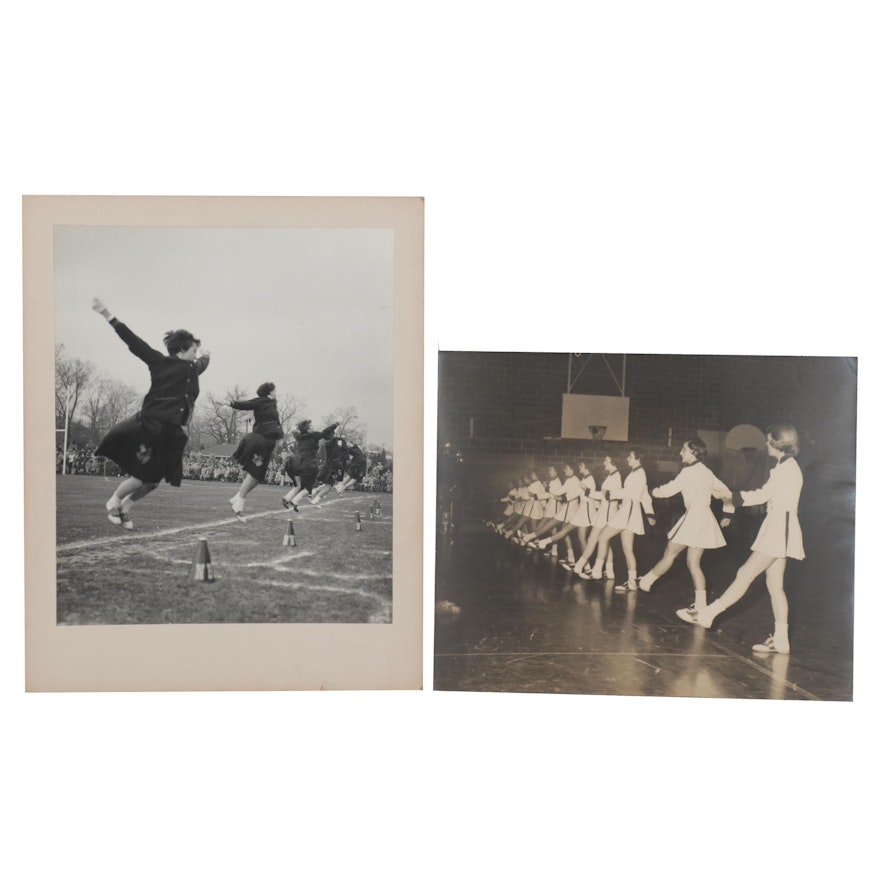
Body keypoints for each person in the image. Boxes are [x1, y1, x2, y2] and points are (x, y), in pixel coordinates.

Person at [91, 298, 209, 529]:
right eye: (193, 350)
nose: (196, 355)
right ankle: (114, 501)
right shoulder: (160, 362)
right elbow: (133, 342)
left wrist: (207, 355)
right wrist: (107, 314)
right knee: (142, 476)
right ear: (182, 349)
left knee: (154, 482)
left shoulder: (193, 369)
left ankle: (125, 508)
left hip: (175, 433)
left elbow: (203, 363)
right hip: (152, 427)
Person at [695, 425, 805, 655]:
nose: (765, 445)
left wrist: (732, 497)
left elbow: (763, 495)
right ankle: (781, 640)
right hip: (778, 525)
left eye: (768, 441)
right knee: (775, 586)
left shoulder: (787, 469)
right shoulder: (783, 466)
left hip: (779, 527)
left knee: (745, 573)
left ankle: (709, 613)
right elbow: (767, 494)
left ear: (777, 443)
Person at [637, 439, 734, 622]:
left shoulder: (689, 471)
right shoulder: (706, 472)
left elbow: (668, 491)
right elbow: (725, 492)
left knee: (670, 553)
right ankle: (700, 605)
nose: (680, 453)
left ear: (693, 452)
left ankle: (646, 581)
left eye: (683, 449)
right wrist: (729, 513)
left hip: (695, 517)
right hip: (705, 517)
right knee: (693, 563)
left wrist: (651, 492)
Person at [589, 448, 655, 591]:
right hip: (629, 509)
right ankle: (632, 582)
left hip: (629, 510)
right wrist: (650, 514)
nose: (628, 459)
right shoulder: (636, 473)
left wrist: (610, 494)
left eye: (630, 457)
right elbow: (645, 495)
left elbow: (630, 493)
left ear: (638, 458)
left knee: (603, 536)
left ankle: (597, 570)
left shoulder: (639, 473)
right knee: (627, 549)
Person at [226, 383, 285, 521]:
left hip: (268, 443)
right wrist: (232, 403)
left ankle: (237, 497)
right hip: (259, 441)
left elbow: (277, 423)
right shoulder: (262, 401)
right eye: (275, 389)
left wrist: (280, 437)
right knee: (255, 472)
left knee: (258, 477)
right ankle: (239, 503)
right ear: (270, 391)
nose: (277, 391)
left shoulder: (272, 405)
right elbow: (246, 404)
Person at [570, 455, 622, 580]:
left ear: (613, 462)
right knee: (605, 542)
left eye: (606, 460)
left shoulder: (615, 477)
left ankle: (580, 566)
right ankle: (609, 572)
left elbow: (606, 496)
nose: (604, 462)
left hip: (607, 513)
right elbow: (603, 495)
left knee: (593, 538)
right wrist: (589, 491)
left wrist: (587, 491)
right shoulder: (612, 475)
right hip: (605, 511)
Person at [280, 419, 339, 509]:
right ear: (308, 429)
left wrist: (294, 429)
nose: (313, 427)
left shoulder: (299, 436)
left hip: (295, 462)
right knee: (308, 489)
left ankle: (287, 498)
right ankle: (295, 500)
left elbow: (294, 431)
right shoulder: (314, 435)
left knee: (298, 485)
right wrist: (336, 424)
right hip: (307, 464)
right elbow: (326, 431)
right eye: (311, 426)